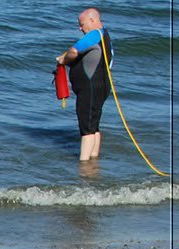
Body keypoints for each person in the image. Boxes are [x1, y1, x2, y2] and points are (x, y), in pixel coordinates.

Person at [56, 8, 112, 161]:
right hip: (102, 87)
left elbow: (74, 51)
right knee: (93, 125)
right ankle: (93, 162)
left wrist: (63, 60)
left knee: (86, 128)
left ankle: (84, 167)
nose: (80, 28)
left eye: (82, 24)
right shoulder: (105, 34)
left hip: (91, 88)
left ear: (93, 21)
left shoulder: (94, 34)